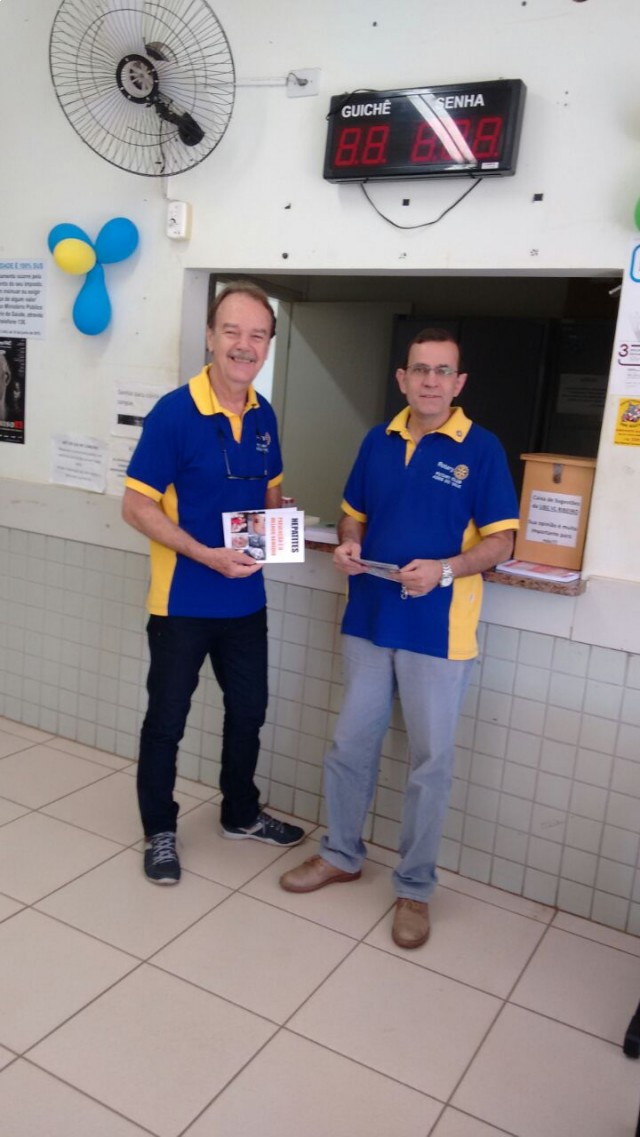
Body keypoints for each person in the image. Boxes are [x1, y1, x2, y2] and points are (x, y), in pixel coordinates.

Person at [280, 328, 518, 948]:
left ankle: (414, 888)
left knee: (430, 764)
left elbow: (502, 541)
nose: (431, 381)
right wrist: (349, 543)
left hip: (438, 630)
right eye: (421, 370)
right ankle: (341, 853)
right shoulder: (376, 441)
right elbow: (353, 513)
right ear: (403, 379)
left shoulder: (482, 449)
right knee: (349, 745)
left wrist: (446, 569)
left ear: (458, 383)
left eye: (443, 372)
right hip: (369, 617)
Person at [122, 281, 305, 885]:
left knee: (249, 712)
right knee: (166, 721)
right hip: (182, 601)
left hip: (245, 601)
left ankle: (240, 813)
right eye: (232, 331)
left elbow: (270, 493)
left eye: (258, 335)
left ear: (268, 345)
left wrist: (280, 520)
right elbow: (136, 506)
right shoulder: (174, 413)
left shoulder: (264, 414)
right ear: (210, 336)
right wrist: (205, 554)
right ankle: (160, 830)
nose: (244, 345)